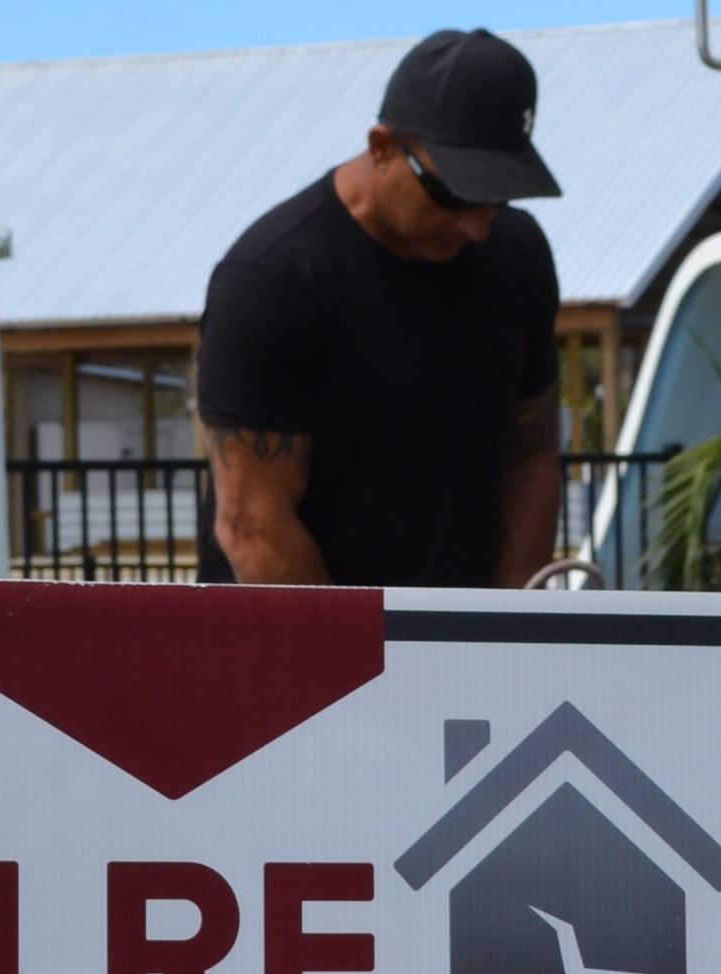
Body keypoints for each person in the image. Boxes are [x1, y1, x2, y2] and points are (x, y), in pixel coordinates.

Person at [196, 29, 568, 587]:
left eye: (498, 194)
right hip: (297, 649)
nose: (478, 224)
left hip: (459, 649)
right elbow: (253, 525)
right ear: (382, 148)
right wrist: (361, 665)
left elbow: (531, 457)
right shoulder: (273, 280)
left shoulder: (517, 256)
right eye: (457, 195)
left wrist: (508, 633)